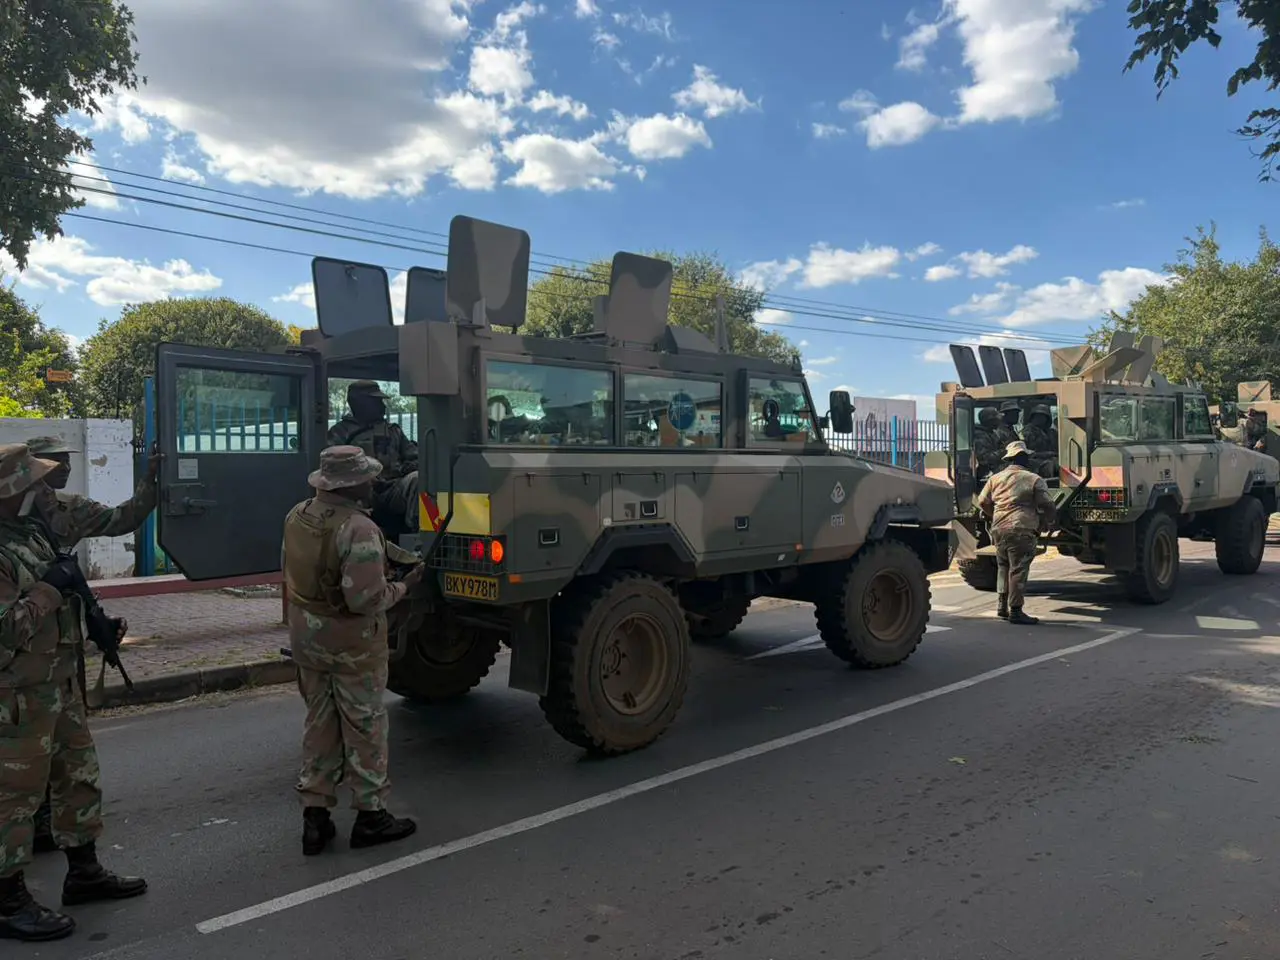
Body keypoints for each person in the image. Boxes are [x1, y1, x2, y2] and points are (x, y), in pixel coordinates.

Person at [0, 443, 147, 943]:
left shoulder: (32, 534)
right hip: (17, 697)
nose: (44, 488)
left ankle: (84, 871)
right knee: (14, 800)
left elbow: (63, 597)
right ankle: (6, 898)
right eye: (34, 482)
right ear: (12, 491)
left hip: (58, 684)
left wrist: (95, 624)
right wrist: (46, 590)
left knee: (78, 777)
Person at [281, 445, 423, 856]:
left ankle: (315, 817)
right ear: (354, 484)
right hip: (351, 645)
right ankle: (371, 816)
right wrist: (405, 586)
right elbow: (366, 599)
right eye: (367, 478)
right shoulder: (359, 528)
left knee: (319, 725)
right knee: (365, 728)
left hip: (307, 638)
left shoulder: (298, 514)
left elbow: (292, 570)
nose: (373, 483)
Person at [23, 436, 162, 855]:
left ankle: (64, 836)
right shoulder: (11, 516)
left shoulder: (71, 508)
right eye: (53, 461)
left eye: (65, 460)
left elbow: (124, 518)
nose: (62, 467)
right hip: (20, 646)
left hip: (62, 641)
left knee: (68, 743)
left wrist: (150, 481)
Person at [976, 441, 1058, 627]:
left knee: (1003, 566)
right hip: (1022, 529)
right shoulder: (1033, 479)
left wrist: (994, 515)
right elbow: (1047, 504)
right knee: (1018, 570)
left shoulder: (995, 479)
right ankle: (1016, 610)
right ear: (1024, 458)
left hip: (998, 528)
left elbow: (982, 501)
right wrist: (1049, 521)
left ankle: (1001, 606)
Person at [327, 381, 419, 530]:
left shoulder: (392, 431)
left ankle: (417, 536)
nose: (382, 406)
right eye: (376, 402)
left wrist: (407, 467)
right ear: (359, 403)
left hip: (392, 488)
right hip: (359, 491)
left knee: (417, 479)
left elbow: (414, 456)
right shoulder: (340, 433)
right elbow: (333, 469)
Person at [1022, 404, 1058, 479]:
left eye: (1043, 416)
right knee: (1049, 464)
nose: (1040, 419)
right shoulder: (1027, 431)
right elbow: (1026, 450)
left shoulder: (1051, 432)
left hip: (1050, 458)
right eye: (1037, 416)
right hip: (1033, 460)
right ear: (1033, 417)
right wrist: (1046, 454)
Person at [973, 407, 1003, 478]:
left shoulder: (991, 433)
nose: (999, 421)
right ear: (990, 420)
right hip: (985, 473)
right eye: (997, 419)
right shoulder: (980, 435)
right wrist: (1004, 451)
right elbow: (984, 458)